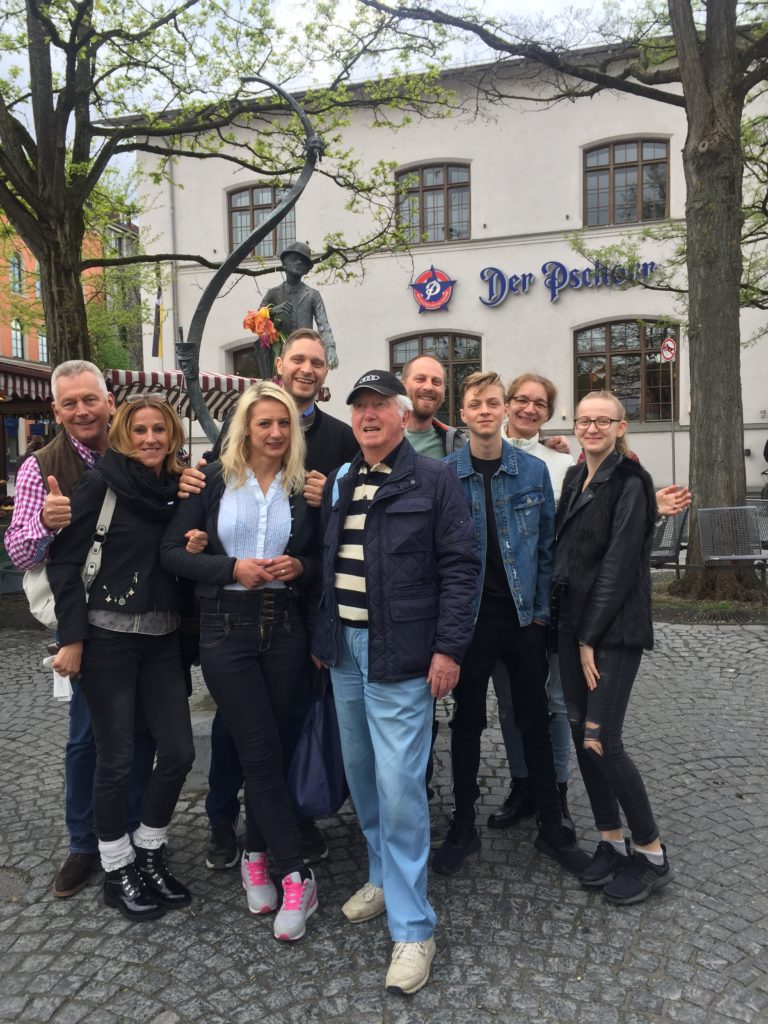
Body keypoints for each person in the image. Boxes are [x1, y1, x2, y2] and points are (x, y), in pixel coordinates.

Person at [312, 369, 480, 994]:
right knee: (362, 775)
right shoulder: (342, 480)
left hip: (406, 655)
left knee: (401, 786)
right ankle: (382, 874)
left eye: (380, 405)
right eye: (360, 407)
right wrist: (325, 638)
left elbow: (462, 567)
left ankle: (414, 928)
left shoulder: (435, 478)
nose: (369, 416)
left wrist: (447, 649)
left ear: (402, 415)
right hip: (347, 655)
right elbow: (330, 563)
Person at [183, 328, 357, 870]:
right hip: (230, 618)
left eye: (318, 362)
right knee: (235, 726)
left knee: (288, 723)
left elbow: (343, 520)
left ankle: (291, 820)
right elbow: (203, 511)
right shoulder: (227, 458)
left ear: (326, 373)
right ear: (281, 365)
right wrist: (187, 494)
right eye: (298, 360)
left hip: (295, 615)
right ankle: (221, 820)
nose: (307, 369)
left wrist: (323, 508)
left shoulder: (342, 437)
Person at [161, 382, 320, 942]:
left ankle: (256, 853)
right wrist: (231, 570)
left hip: (284, 628)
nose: (275, 433)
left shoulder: (305, 486)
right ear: (245, 428)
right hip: (225, 629)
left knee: (274, 747)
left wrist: (298, 568)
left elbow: (316, 555)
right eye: (264, 424)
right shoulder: (208, 480)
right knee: (256, 748)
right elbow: (172, 553)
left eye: (283, 424)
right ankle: (295, 873)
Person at [3, 360, 155, 899]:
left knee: (139, 730)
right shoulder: (41, 465)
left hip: (140, 618)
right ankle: (85, 843)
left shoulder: (139, 447)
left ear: (109, 400)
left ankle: (135, 833)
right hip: (82, 623)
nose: (82, 410)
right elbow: (19, 551)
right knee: (89, 736)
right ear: (56, 410)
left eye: (89, 399)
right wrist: (45, 522)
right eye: (70, 403)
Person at [47, 396, 195, 921]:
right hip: (107, 638)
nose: (151, 438)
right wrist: (73, 637)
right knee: (115, 759)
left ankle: (149, 849)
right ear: (123, 435)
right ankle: (116, 867)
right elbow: (64, 563)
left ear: (173, 434)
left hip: (161, 640)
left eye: (160, 429)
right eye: (140, 430)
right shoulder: (100, 483)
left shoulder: (180, 488)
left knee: (178, 752)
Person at [435, 371, 587, 877]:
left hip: (523, 618)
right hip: (469, 622)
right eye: (475, 403)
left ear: (503, 411)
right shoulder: (444, 475)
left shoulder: (532, 472)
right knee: (468, 724)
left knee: (534, 719)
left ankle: (551, 823)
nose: (484, 410)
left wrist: (541, 613)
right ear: (463, 413)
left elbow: (546, 547)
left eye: (492, 402)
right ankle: (463, 827)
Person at [554, 390, 671, 904]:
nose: (593, 427)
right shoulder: (575, 477)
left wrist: (588, 638)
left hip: (611, 632)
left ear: (622, 427)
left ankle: (650, 852)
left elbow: (620, 566)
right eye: (585, 419)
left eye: (604, 420)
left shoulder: (632, 481)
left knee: (604, 739)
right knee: (582, 736)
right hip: (572, 627)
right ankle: (610, 839)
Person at [489, 374, 576, 831]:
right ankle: (522, 784)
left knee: (557, 702)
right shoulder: (485, 453)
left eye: (539, 403)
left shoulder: (562, 465)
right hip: (504, 606)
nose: (528, 408)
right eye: (520, 399)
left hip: (554, 599)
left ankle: (556, 791)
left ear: (549, 412)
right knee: (511, 703)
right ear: (505, 404)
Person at [260, 242, 338, 369]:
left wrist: (330, 348)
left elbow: (323, 324)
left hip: (305, 354)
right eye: (295, 259)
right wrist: (273, 311)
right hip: (279, 356)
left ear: (307, 270)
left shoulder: (313, 295)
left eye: (304, 261)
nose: (299, 263)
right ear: (284, 264)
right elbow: (256, 321)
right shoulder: (273, 293)